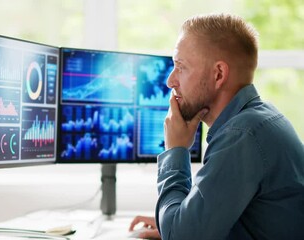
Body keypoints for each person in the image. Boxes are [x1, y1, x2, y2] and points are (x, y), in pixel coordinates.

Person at [130, 13, 304, 239]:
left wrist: (175, 150)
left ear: (218, 74)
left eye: (180, 67)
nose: (170, 81)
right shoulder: (259, 120)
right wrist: (176, 220)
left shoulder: (242, 135)